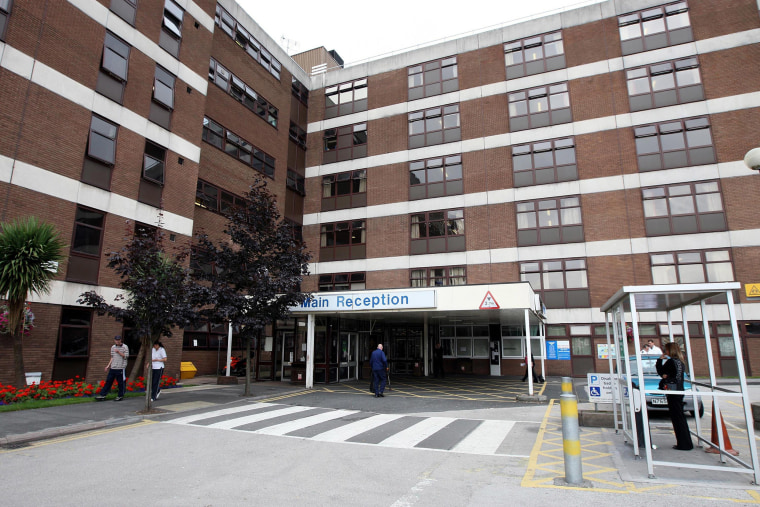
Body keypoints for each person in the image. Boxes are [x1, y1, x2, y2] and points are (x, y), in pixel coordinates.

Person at [656, 342, 693, 451]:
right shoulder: (680, 362)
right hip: (679, 390)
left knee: (677, 418)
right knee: (680, 416)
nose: (665, 352)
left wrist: (659, 360)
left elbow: (661, 372)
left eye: (666, 350)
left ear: (670, 351)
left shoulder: (671, 362)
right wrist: (665, 375)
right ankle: (685, 442)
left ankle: (683, 444)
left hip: (673, 391)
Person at [95, 335, 129, 401]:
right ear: (114, 340)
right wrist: (108, 366)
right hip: (113, 367)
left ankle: (120, 395)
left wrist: (119, 352)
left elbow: (126, 356)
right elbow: (112, 357)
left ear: (121, 340)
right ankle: (103, 395)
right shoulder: (113, 347)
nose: (117, 341)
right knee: (108, 381)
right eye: (116, 340)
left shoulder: (125, 347)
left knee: (120, 383)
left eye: (119, 340)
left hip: (121, 367)